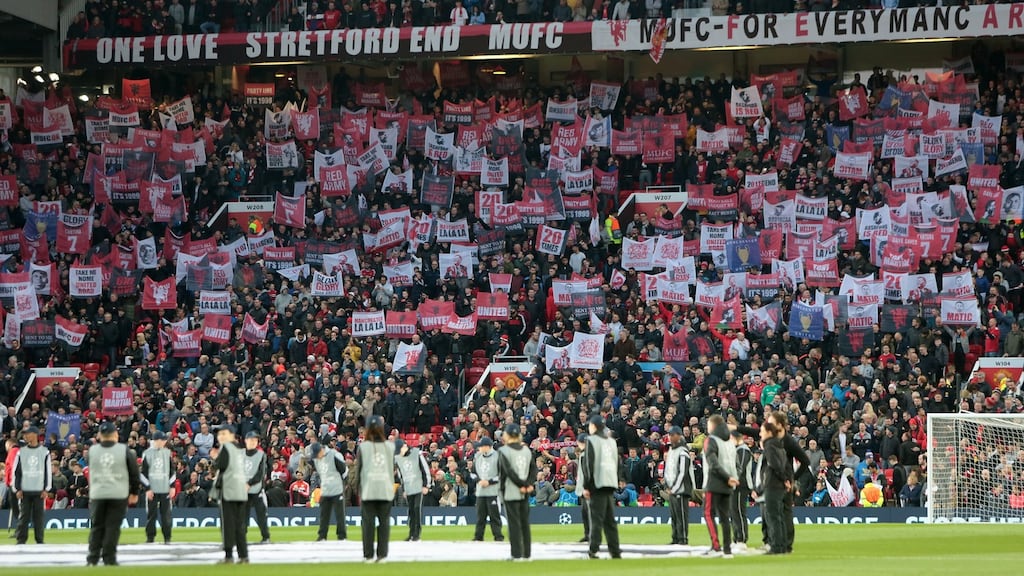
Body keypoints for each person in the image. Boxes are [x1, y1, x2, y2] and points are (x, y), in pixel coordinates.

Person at [86, 422, 140, 566]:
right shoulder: (124, 450)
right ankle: (109, 558)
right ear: (115, 434)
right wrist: (134, 492)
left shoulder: (92, 451)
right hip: (118, 492)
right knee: (112, 526)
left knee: (97, 526)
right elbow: (134, 473)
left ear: (99, 435)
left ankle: (92, 558)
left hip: (97, 493)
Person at [353, 415, 395, 563]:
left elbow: (359, 470)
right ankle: (382, 555)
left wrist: (357, 488)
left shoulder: (363, 447)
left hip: (369, 489)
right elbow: (393, 468)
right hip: (385, 488)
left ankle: (368, 555)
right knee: (384, 523)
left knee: (368, 524)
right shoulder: (390, 446)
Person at [770, 411, 811, 554]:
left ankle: (786, 544)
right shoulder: (772, 438)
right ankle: (778, 543)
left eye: (771, 422)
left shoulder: (788, 441)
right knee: (777, 513)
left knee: (785, 512)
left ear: (779, 424)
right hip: (775, 480)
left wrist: (793, 478)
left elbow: (805, 461)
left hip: (785, 482)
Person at [581, 415, 621, 560]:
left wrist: (586, 486)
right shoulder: (611, 442)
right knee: (610, 520)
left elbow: (588, 464)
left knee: (596, 519)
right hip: (610, 482)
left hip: (597, 483)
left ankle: (593, 550)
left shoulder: (591, 440)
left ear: (594, 426)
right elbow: (617, 462)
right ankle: (615, 550)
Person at [497, 423, 536, 562]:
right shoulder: (526, 450)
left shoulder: (504, 451)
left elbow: (508, 472)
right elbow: (533, 469)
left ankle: (516, 554)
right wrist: (528, 485)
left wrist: (522, 485)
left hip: (511, 490)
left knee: (514, 523)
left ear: (506, 435)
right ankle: (527, 554)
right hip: (525, 491)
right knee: (525, 522)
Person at [701, 414, 738, 558]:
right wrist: (732, 478)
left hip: (715, 482)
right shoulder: (729, 441)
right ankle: (727, 549)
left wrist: (726, 477)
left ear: (713, 425)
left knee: (708, 514)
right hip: (728, 484)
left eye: (709, 424)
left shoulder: (710, 440)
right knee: (724, 517)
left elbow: (713, 463)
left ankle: (715, 547)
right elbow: (735, 462)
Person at [212, 424, 249, 565]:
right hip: (240, 490)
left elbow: (221, 465)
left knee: (228, 524)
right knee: (239, 525)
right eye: (220, 434)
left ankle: (228, 556)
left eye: (224, 434)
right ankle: (243, 556)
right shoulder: (240, 449)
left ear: (232, 435)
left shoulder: (226, 448)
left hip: (228, 490)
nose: (221, 437)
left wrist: (215, 457)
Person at [13, 426, 50, 545]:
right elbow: (16, 472)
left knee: (39, 517)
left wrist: (46, 488)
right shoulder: (21, 452)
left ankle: (39, 540)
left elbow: (47, 472)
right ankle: (21, 540)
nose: (25, 436)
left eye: (28, 434)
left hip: (39, 490)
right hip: (25, 489)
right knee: (24, 516)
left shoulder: (45, 452)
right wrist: (17, 488)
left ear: (35, 435)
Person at [759, 420, 790, 555]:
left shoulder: (770, 446)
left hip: (773, 484)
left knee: (772, 516)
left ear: (769, 432)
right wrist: (786, 479)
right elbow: (783, 464)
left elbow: (774, 464)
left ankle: (776, 546)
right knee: (778, 515)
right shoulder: (780, 446)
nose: (760, 433)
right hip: (779, 485)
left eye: (762, 431)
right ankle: (782, 545)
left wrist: (783, 478)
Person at [395, 438, 432, 542]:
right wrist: (404, 489)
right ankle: (411, 533)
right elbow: (401, 474)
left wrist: (426, 485)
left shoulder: (417, 453)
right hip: (408, 487)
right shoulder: (398, 458)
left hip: (418, 486)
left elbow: (425, 470)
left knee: (416, 509)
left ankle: (416, 534)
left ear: (404, 446)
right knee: (411, 510)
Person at [310, 441, 348, 542]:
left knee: (339, 514)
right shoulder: (316, 459)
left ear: (321, 450)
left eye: (317, 454)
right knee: (323, 515)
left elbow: (344, 470)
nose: (316, 457)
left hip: (336, 489)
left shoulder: (334, 455)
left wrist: (341, 483)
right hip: (325, 489)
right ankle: (322, 536)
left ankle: (342, 536)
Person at [663, 426, 695, 546]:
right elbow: (668, 469)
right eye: (670, 435)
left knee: (681, 515)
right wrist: (667, 485)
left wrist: (675, 488)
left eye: (672, 435)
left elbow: (683, 471)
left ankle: (683, 538)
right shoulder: (671, 450)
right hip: (671, 488)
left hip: (681, 489)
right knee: (674, 515)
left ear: (679, 435)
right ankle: (675, 537)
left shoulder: (683, 451)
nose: (670, 437)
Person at [141, 430, 174, 544]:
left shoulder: (167, 453)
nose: (165, 441)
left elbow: (172, 471)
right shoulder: (147, 453)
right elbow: (143, 473)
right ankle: (150, 537)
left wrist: (172, 486)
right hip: (153, 488)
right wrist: (148, 488)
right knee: (151, 515)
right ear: (157, 441)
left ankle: (167, 538)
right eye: (163, 440)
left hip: (165, 488)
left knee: (166, 515)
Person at [471, 436, 503, 542]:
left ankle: (498, 536)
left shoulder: (498, 457)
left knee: (494, 516)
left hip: (493, 491)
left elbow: (502, 474)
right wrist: (479, 481)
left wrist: (489, 482)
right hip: (480, 492)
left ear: (487, 447)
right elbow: (472, 473)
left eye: (481, 446)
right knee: (480, 516)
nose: (479, 448)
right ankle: (478, 537)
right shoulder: (478, 456)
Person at [243, 431, 272, 545]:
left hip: (256, 490)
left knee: (261, 514)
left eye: (255, 441)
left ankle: (266, 537)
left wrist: (248, 483)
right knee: (242, 516)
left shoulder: (261, 455)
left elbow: (260, 473)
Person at [730, 430, 754, 552]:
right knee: (734, 512)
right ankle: (736, 537)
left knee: (739, 511)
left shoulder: (743, 450)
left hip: (741, 484)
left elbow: (741, 467)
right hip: (734, 485)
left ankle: (742, 538)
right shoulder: (736, 450)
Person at [574, 434, 590, 543]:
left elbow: (586, 473)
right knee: (585, 512)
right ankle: (588, 534)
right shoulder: (586, 454)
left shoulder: (585, 455)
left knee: (588, 512)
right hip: (585, 488)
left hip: (586, 489)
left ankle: (590, 534)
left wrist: (586, 487)